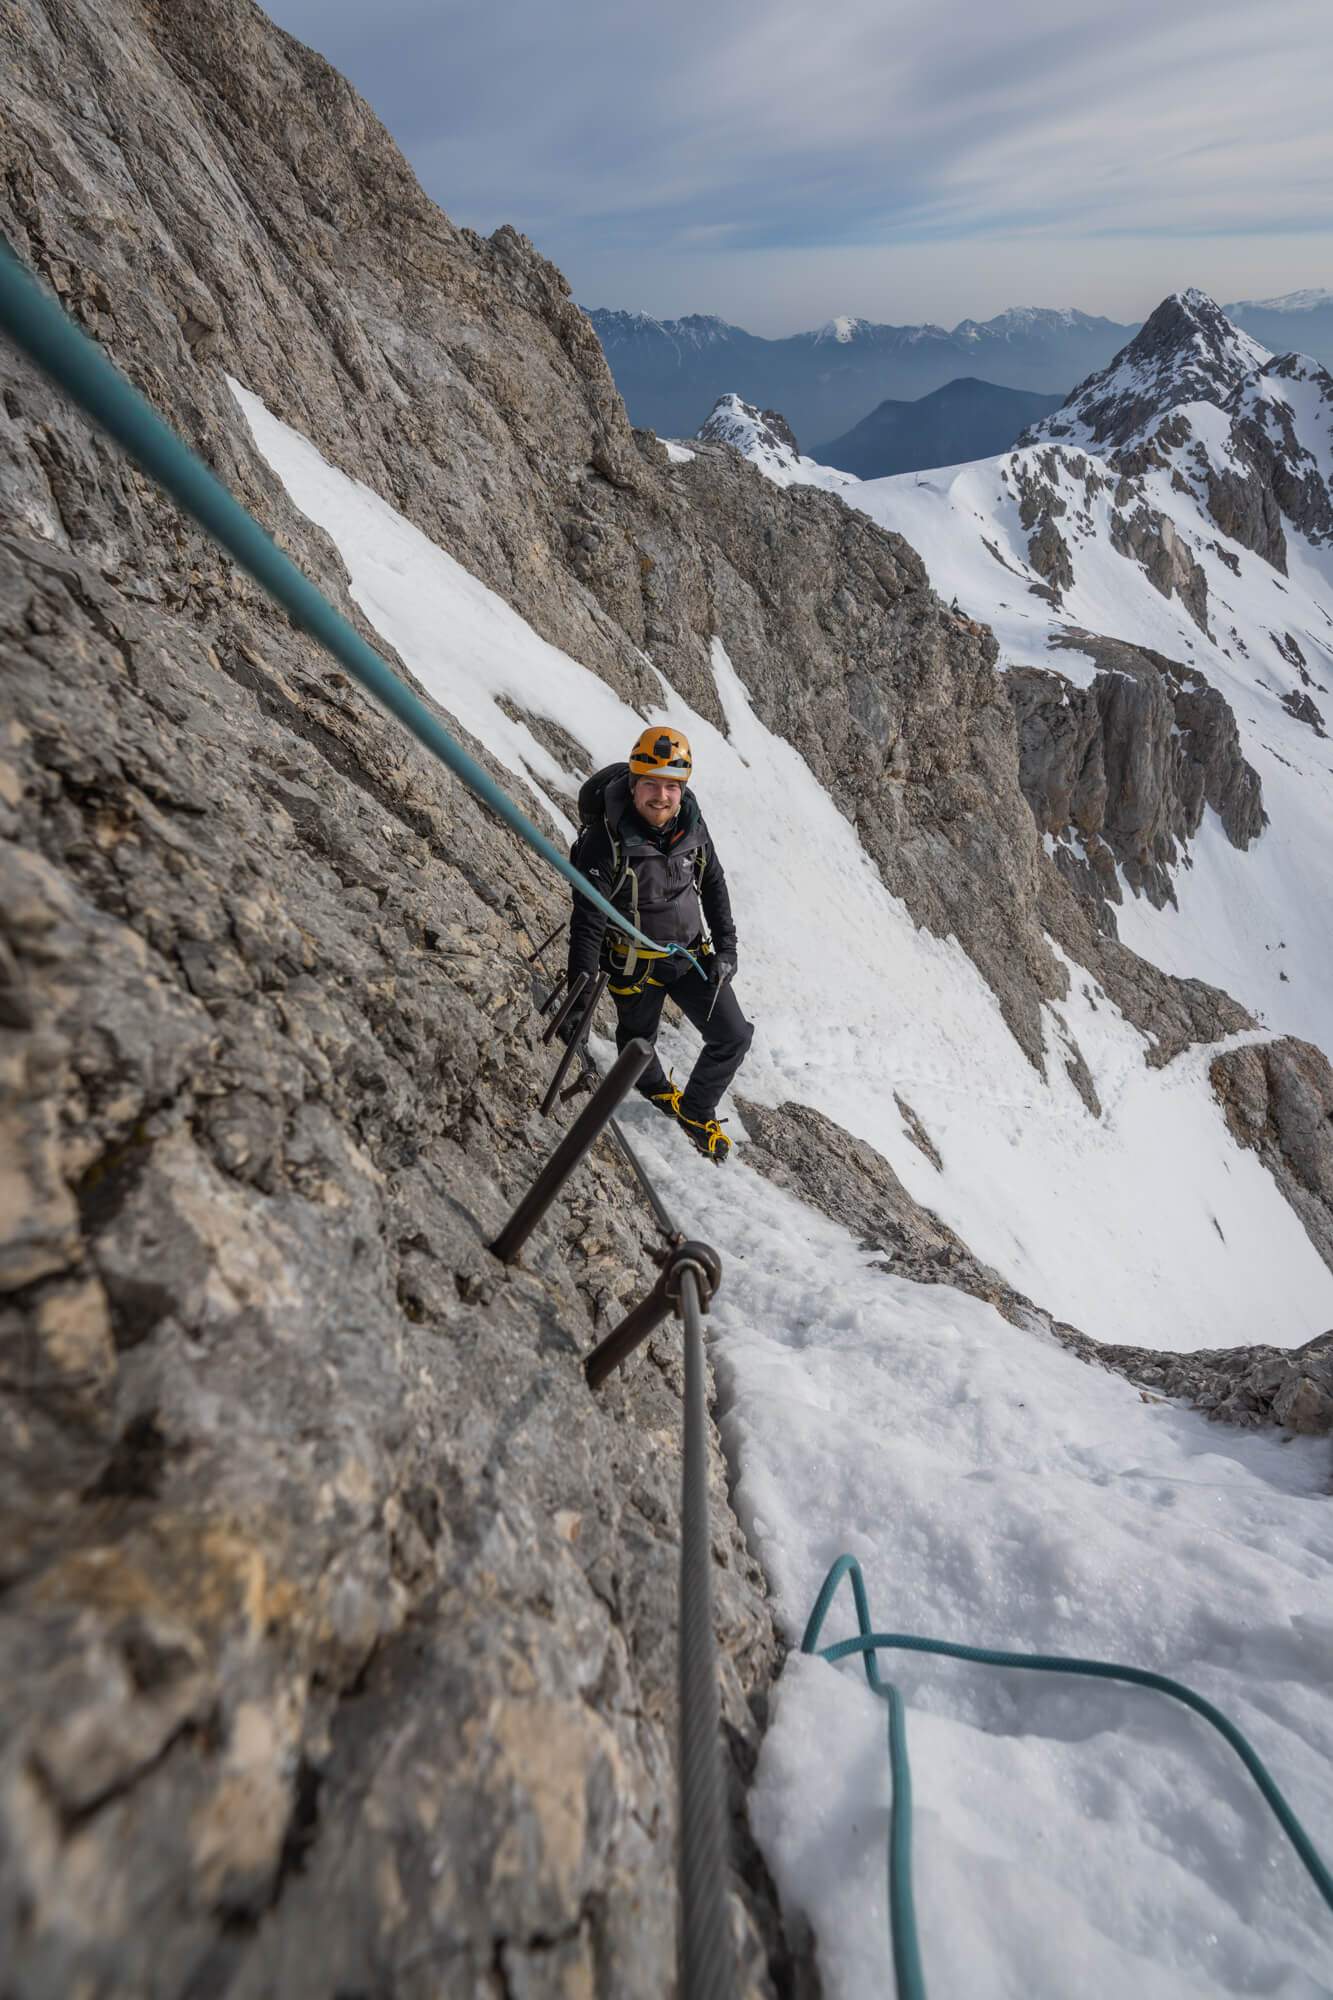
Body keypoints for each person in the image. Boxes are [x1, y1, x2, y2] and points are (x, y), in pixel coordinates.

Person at [565, 727, 753, 1163]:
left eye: (671, 786)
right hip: (633, 963)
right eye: (651, 783)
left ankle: (695, 1109)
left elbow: (712, 882)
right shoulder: (605, 839)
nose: (661, 796)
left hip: (690, 956)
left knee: (733, 1036)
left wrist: (726, 946)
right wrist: (579, 986)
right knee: (638, 1042)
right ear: (633, 784)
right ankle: (652, 1088)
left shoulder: (692, 823)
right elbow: (589, 918)